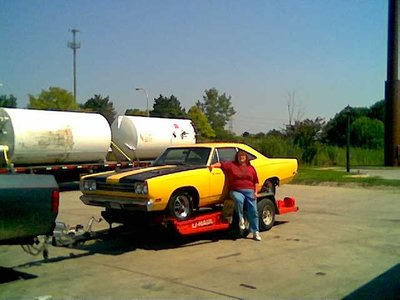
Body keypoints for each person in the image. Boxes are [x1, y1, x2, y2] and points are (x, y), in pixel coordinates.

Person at [212, 150, 261, 241]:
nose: (241, 158)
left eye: (243, 156)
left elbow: (256, 182)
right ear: (237, 157)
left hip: (250, 191)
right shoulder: (231, 165)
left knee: (253, 211)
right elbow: (221, 164)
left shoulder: (251, 168)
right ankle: (241, 219)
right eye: (239, 156)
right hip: (236, 191)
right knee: (239, 200)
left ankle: (255, 232)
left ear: (246, 158)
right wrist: (213, 166)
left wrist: (255, 192)